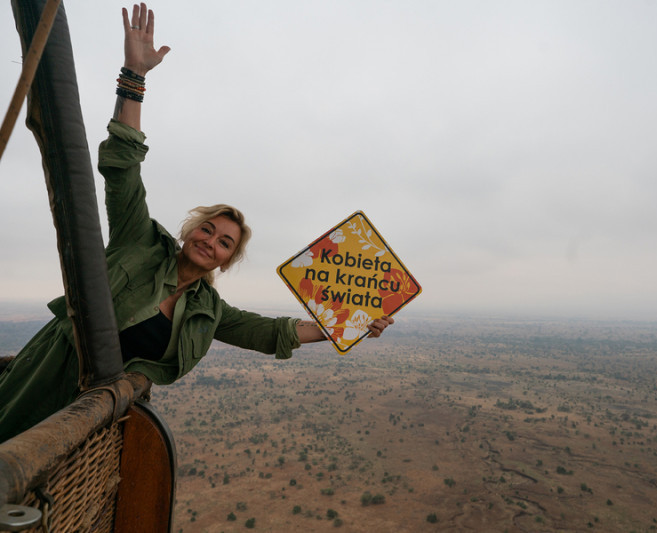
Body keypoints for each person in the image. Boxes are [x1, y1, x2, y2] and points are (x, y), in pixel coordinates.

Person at [0, 3, 393, 443]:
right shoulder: (140, 240)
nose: (211, 241)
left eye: (225, 242)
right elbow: (123, 167)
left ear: (226, 261)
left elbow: (269, 333)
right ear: (189, 231)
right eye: (207, 229)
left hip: (90, 418)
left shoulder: (207, 312)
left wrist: (348, 324)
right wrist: (134, 77)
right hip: (42, 379)